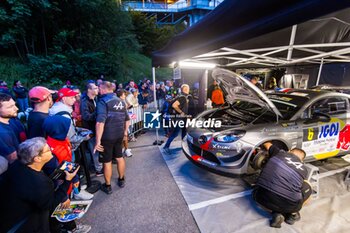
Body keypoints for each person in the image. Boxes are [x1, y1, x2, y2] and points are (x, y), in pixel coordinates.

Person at [0, 137, 90, 233]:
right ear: (37, 158)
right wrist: (68, 180)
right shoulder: (38, 182)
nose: (51, 149)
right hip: (27, 225)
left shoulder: (17, 165)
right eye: (47, 150)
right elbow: (50, 204)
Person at [252, 142, 312, 228]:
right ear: (302, 161)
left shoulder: (279, 153)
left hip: (259, 197)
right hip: (288, 205)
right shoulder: (304, 170)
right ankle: (292, 215)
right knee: (307, 186)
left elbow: (267, 144)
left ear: (289, 151)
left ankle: (277, 213)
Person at [94, 81, 130, 194]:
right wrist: (125, 132)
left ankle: (108, 186)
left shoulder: (102, 101)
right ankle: (121, 179)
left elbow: (100, 123)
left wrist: (97, 140)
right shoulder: (122, 101)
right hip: (119, 134)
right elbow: (127, 119)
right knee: (119, 157)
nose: (99, 90)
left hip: (107, 136)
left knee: (107, 161)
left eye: (100, 88)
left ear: (104, 89)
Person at [81, 82, 103, 176]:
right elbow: (86, 116)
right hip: (90, 130)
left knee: (97, 148)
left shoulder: (97, 99)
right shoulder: (84, 102)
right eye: (95, 88)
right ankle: (98, 169)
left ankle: (98, 166)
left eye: (97, 88)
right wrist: (98, 113)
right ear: (89, 90)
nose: (97, 89)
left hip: (97, 128)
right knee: (94, 149)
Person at [163, 84, 191, 154]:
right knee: (175, 133)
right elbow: (174, 105)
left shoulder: (182, 97)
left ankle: (183, 145)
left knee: (184, 132)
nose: (189, 89)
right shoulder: (183, 97)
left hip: (182, 118)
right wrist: (181, 112)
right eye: (188, 88)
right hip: (179, 118)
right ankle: (166, 146)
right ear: (185, 89)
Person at [0, 93, 19, 163]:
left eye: (14, 105)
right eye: (10, 107)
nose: (16, 108)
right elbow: (13, 159)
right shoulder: (2, 133)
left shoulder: (12, 120)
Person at [116, 89, 132, 158]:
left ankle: (125, 149)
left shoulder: (123, 102)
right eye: (124, 95)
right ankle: (125, 150)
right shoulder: (118, 103)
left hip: (124, 121)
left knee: (125, 136)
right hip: (120, 122)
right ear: (120, 96)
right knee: (124, 136)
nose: (125, 96)